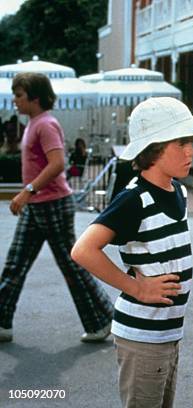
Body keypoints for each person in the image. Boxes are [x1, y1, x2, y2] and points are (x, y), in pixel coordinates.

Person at [71, 97, 193, 407]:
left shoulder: (178, 190)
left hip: (167, 332)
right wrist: (136, 287)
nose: (191, 150)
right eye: (181, 143)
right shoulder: (134, 198)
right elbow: (83, 250)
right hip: (142, 335)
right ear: (154, 147)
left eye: (191, 142)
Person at [0, 72, 113, 343]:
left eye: (19, 95)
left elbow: (57, 164)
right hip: (41, 205)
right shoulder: (34, 123)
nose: (15, 100)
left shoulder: (45, 124)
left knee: (71, 265)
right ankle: (2, 323)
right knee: (16, 264)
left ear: (35, 98)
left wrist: (27, 192)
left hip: (51, 205)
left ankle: (103, 319)